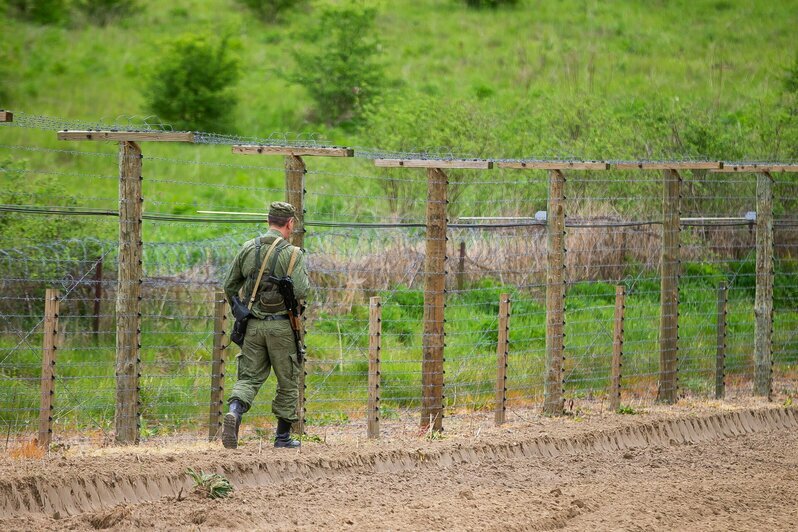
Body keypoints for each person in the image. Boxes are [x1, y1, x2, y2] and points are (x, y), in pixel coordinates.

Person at [222, 201, 308, 449]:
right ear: (289, 223)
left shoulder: (249, 248)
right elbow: (302, 289)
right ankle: (282, 437)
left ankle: (235, 412)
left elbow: (229, 285)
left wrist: (238, 307)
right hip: (282, 326)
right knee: (287, 379)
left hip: (253, 326)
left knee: (249, 376)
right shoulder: (293, 254)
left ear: (268, 220)